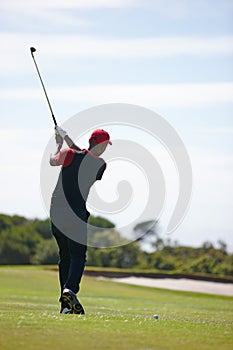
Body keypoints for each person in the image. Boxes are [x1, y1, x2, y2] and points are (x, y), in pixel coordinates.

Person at [50, 125, 112, 314]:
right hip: (76, 214)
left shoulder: (68, 154)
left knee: (65, 258)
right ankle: (70, 290)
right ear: (101, 145)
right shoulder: (101, 164)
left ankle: (65, 306)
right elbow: (84, 156)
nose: (105, 148)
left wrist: (60, 143)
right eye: (105, 145)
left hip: (56, 213)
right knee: (78, 256)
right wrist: (66, 137)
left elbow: (54, 161)